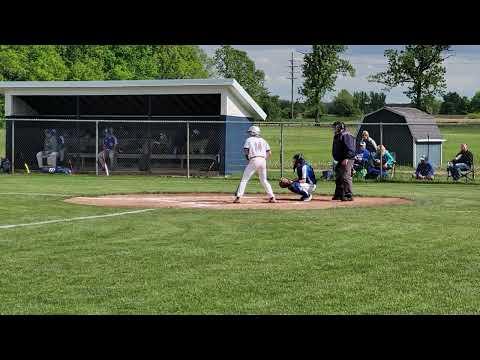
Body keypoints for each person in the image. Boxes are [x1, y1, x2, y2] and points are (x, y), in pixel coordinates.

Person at [234, 125, 276, 203]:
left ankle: (238, 197)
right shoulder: (263, 140)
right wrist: (262, 159)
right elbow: (269, 153)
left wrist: (248, 158)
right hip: (263, 160)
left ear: (254, 132)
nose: (249, 134)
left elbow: (246, 150)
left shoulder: (249, 139)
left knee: (244, 179)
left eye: (250, 132)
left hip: (254, 159)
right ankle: (272, 197)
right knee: (264, 180)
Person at [332, 121, 356, 201]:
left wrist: (347, 158)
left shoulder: (346, 135)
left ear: (340, 128)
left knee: (345, 176)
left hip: (347, 159)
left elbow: (350, 148)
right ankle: (339, 194)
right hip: (341, 159)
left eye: (336, 127)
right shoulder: (337, 136)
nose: (334, 129)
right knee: (339, 176)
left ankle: (348, 195)